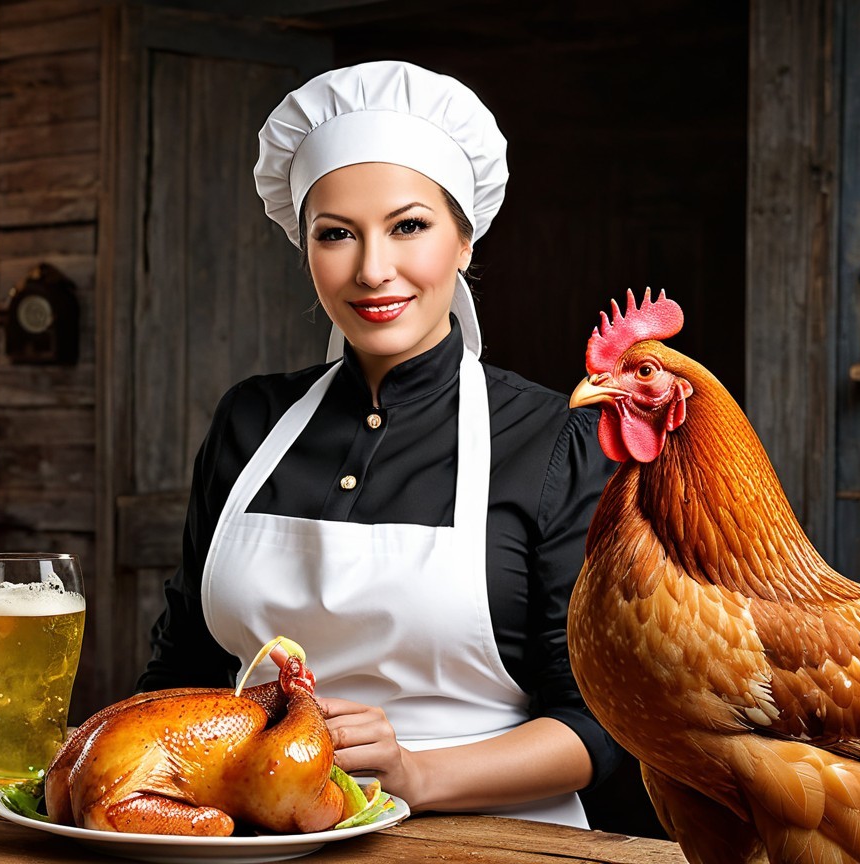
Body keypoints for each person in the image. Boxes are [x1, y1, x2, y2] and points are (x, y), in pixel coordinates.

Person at [137, 60, 621, 827]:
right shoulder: (251, 420)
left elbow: (601, 726)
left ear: (464, 239)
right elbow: (184, 668)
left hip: (494, 841)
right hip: (258, 831)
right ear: (305, 248)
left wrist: (415, 775)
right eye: (336, 234)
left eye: (409, 226)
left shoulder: (553, 438)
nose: (372, 269)